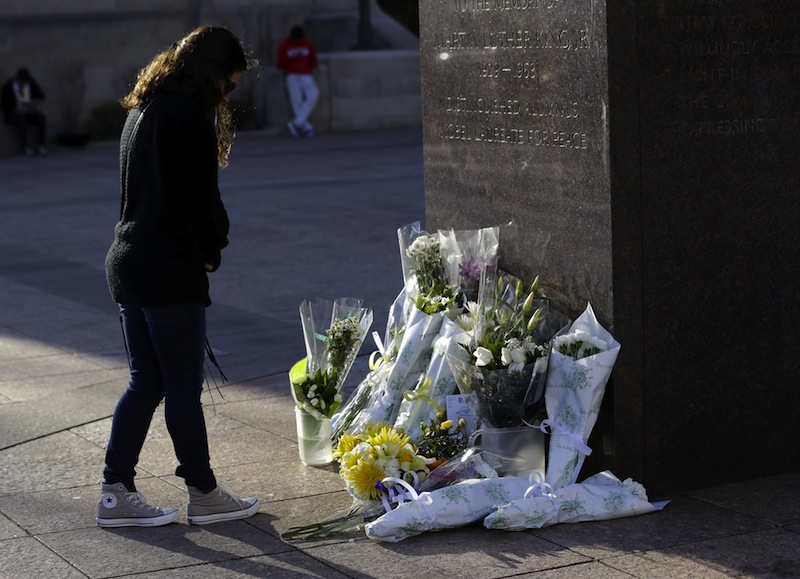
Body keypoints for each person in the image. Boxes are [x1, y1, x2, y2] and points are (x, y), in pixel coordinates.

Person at [98, 25, 260, 528]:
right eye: (228, 85)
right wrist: (212, 249)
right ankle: (204, 492)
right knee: (183, 386)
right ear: (212, 75)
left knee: (145, 380)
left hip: (129, 261)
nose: (228, 95)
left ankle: (115, 492)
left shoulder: (143, 108)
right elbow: (201, 198)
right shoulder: (188, 115)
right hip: (168, 267)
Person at [276, 25, 319, 138]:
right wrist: (291, 59)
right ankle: (306, 127)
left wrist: (308, 68)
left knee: (313, 94)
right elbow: (280, 63)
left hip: (306, 75)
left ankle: (296, 123)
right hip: (292, 75)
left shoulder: (308, 44)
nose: (297, 41)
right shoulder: (285, 46)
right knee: (297, 102)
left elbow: (313, 60)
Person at [1, 68, 48, 156]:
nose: (22, 84)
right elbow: (4, 104)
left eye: (24, 82)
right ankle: (24, 147)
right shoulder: (9, 86)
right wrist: (15, 107)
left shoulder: (31, 84)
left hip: (29, 112)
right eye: (21, 81)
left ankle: (41, 145)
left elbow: (41, 96)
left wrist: (34, 104)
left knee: (41, 117)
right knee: (20, 117)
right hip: (14, 113)